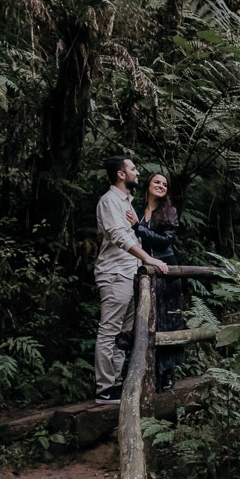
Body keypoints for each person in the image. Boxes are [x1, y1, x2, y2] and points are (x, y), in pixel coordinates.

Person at [94, 156, 168, 405]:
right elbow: (118, 236)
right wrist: (148, 258)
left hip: (130, 273)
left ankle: (115, 384)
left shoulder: (127, 202)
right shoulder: (109, 201)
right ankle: (104, 388)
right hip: (115, 273)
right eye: (133, 169)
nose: (137, 173)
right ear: (121, 174)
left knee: (124, 333)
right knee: (110, 329)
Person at [126, 172, 184, 393]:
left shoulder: (170, 211)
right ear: (148, 185)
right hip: (143, 270)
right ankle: (148, 372)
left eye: (164, 184)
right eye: (157, 182)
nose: (161, 186)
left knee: (166, 320)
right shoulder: (138, 211)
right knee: (147, 319)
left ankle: (167, 373)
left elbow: (165, 241)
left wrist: (138, 228)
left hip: (166, 270)